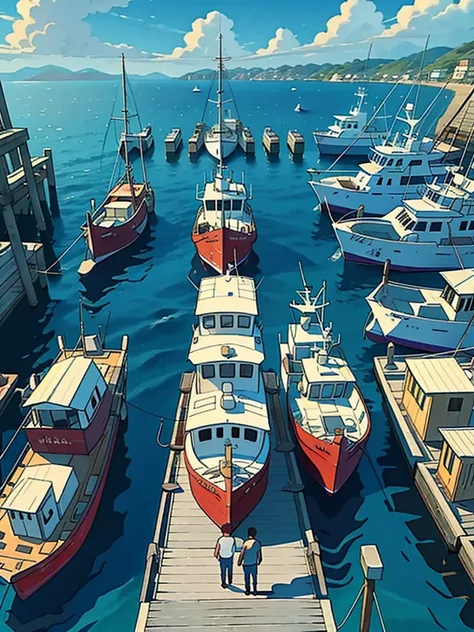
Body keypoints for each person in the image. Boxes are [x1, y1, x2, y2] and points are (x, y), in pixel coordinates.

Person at [237, 526, 262, 595]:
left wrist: (239, 562)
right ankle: (255, 590)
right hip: (254, 563)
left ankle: (247, 590)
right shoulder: (257, 543)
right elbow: (259, 554)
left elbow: (242, 554)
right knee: (254, 578)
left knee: (247, 578)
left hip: (246, 564)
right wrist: (259, 561)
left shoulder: (246, 543)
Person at [214, 523, 236, 588]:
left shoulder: (220, 540)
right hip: (230, 557)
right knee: (230, 570)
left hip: (222, 558)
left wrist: (217, 556)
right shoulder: (232, 539)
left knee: (223, 571)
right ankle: (230, 580)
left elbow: (216, 551)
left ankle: (223, 582)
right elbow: (234, 549)